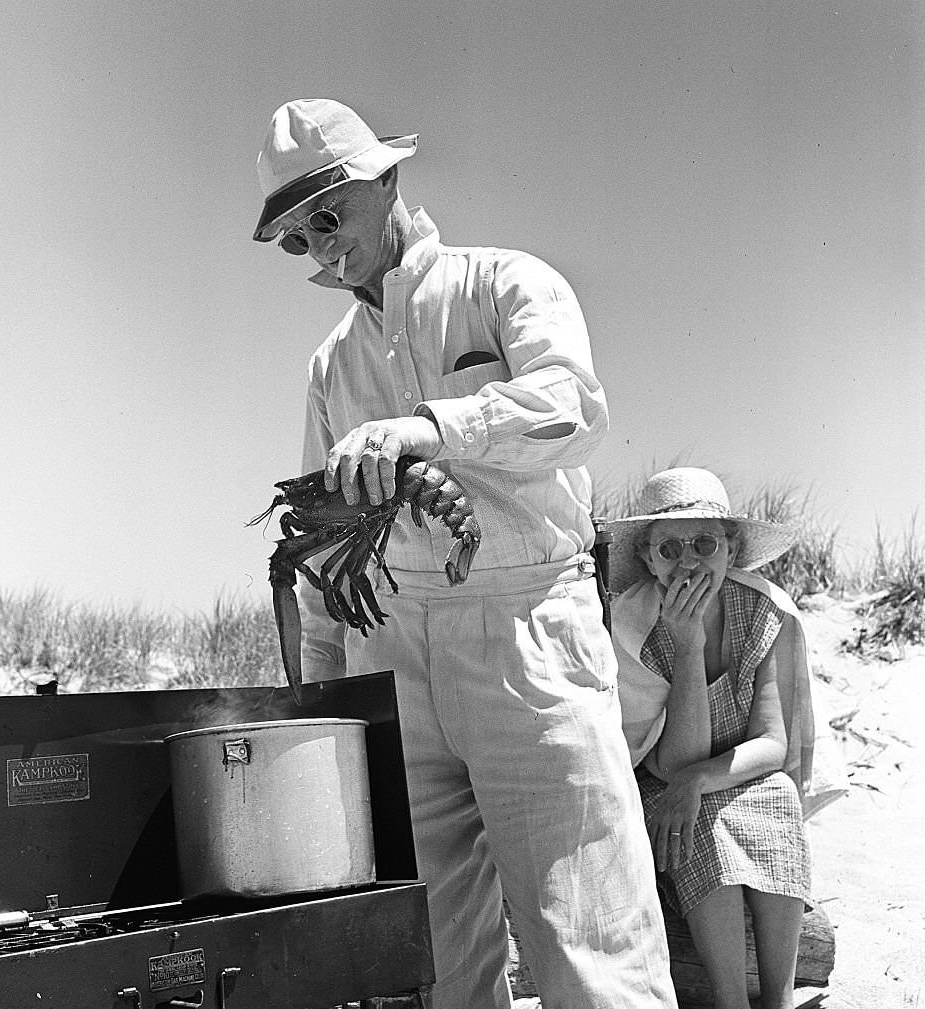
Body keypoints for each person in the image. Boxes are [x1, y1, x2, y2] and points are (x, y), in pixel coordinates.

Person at [251, 99, 677, 1009]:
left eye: (329, 215)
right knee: (434, 959)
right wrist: (323, 702)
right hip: (394, 655)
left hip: (530, 630)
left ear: (387, 180)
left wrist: (434, 426)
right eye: (296, 239)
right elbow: (320, 568)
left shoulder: (503, 282)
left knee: (592, 941)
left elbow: (574, 405)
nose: (321, 249)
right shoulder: (329, 367)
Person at [607, 467, 817, 1009]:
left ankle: (779, 996)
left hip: (739, 773)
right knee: (701, 827)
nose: (689, 562)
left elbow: (772, 741)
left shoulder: (767, 612)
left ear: (730, 548)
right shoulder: (633, 625)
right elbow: (676, 759)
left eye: (704, 543)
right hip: (662, 781)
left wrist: (700, 780)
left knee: (778, 799)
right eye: (670, 548)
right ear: (649, 560)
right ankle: (730, 1001)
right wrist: (687, 644)